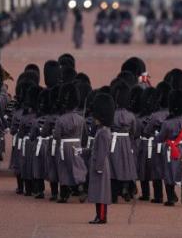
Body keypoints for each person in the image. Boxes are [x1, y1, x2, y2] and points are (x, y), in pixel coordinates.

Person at [155, 89, 182, 206]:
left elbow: (160, 138)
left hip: (170, 150)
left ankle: (171, 197)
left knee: (168, 171)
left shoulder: (167, 123)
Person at [54, 82, 88, 203]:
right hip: (77, 145)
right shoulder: (81, 118)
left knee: (64, 168)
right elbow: (85, 135)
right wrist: (83, 145)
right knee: (78, 166)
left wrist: (58, 144)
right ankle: (81, 187)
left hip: (64, 145)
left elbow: (56, 135)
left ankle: (64, 194)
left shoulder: (60, 119)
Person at [87, 92, 115, 225]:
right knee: (98, 192)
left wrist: (98, 168)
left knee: (101, 193)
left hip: (100, 166)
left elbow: (102, 152)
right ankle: (99, 215)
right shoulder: (101, 130)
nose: (94, 118)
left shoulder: (103, 132)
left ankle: (102, 217)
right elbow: (95, 149)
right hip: (98, 164)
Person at [109, 80, 138, 203]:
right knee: (126, 165)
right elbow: (134, 131)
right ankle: (126, 188)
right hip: (126, 141)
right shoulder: (131, 115)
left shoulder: (112, 114)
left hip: (113, 141)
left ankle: (114, 194)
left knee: (113, 167)